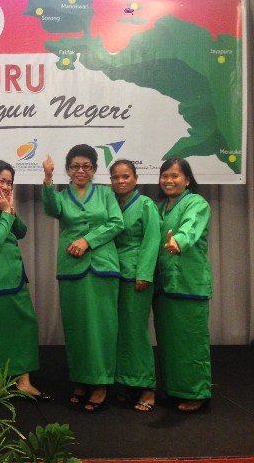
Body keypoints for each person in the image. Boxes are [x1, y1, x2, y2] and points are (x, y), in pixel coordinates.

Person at [42, 145, 124, 411]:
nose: (81, 170)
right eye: (75, 166)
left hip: (103, 265)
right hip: (72, 267)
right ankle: (80, 378)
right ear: (68, 169)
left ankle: (100, 382)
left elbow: (116, 223)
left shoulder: (106, 194)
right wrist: (48, 179)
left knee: (103, 326)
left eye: (86, 166)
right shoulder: (60, 196)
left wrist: (88, 240)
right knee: (76, 326)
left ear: (94, 170)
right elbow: (50, 209)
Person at [0, 160, 50, 400]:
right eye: (1, 181)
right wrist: (5, 212)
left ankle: (24, 380)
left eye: (9, 182)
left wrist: (10, 209)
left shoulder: (2, 206)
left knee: (24, 327)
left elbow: (21, 231)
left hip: (15, 277)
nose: (5, 186)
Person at [153, 157, 212, 412]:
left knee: (191, 341)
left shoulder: (197, 203)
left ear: (187, 180)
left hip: (189, 284)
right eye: (165, 175)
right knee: (169, 343)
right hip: (165, 284)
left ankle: (197, 393)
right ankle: (174, 389)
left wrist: (178, 240)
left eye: (175, 175)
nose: (169, 180)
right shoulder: (159, 208)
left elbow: (190, 227)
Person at [109, 160, 160, 412]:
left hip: (136, 276)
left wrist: (145, 273)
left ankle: (147, 387)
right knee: (120, 332)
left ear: (136, 179)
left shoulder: (146, 204)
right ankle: (127, 384)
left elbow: (153, 239)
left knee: (136, 332)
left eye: (126, 176)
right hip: (113, 274)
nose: (121, 181)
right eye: (116, 177)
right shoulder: (111, 203)